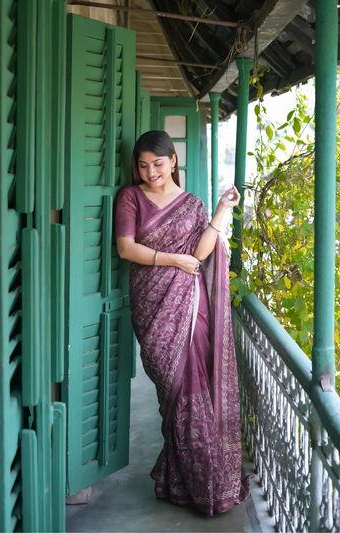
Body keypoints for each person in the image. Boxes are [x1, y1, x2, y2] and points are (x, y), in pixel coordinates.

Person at [115, 130, 251, 516]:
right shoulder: (131, 197)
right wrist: (171, 260)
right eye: (143, 165)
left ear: (173, 161)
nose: (150, 172)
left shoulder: (192, 204)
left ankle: (197, 482)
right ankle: (186, 478)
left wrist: (222, 209)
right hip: (152, 305)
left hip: (192, 309)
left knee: (194, 392)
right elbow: (126, 248)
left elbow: (201, 251)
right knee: (171, 392)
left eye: (157, 164)